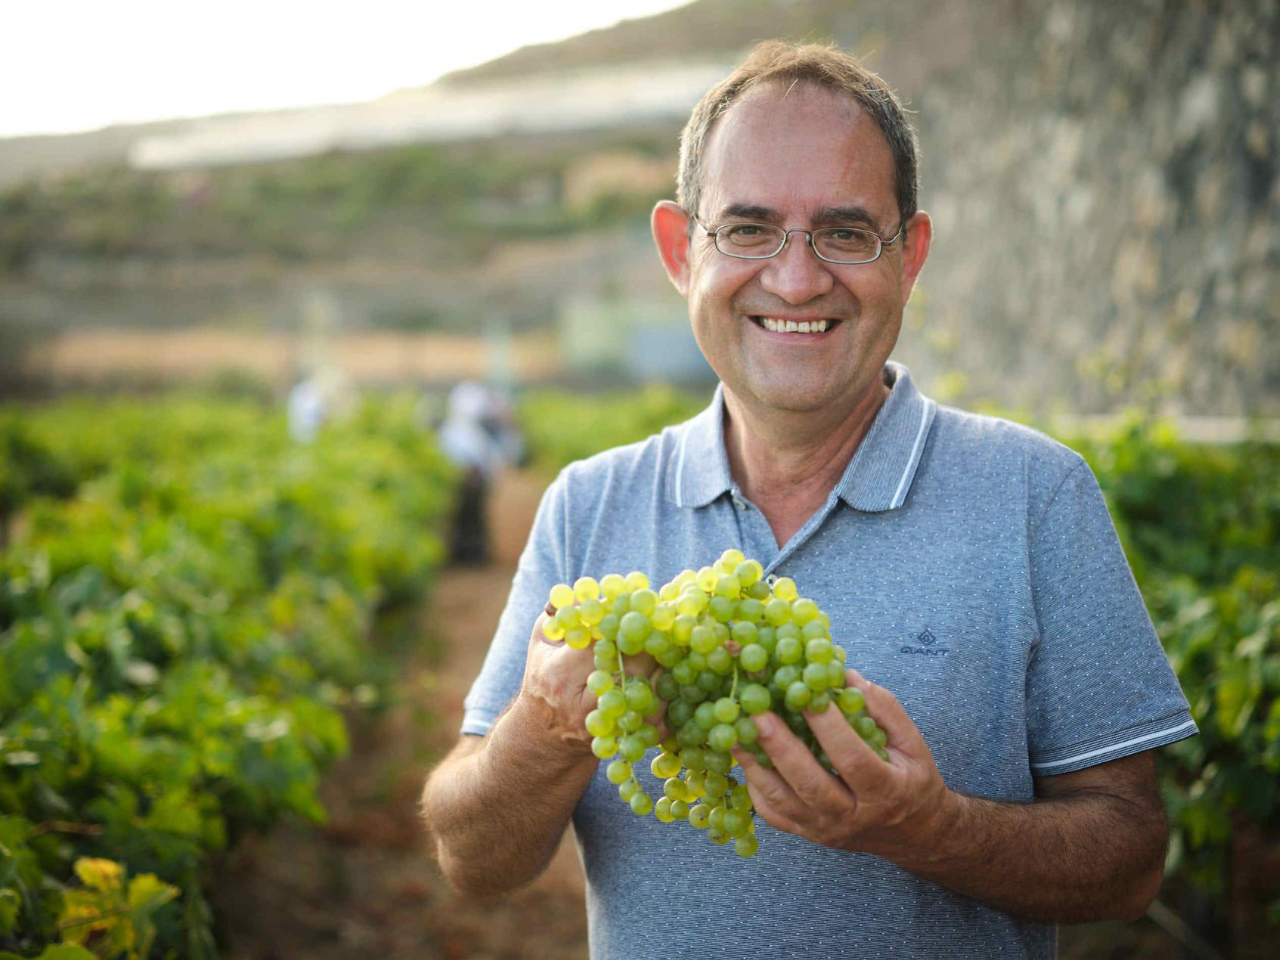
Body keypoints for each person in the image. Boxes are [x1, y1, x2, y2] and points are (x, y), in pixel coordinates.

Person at [421, 41, 1196, 959]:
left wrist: (930, 829)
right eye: (747, 229)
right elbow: (471, 858)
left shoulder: (1036, 494)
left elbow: (1132, 858)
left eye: (845, 232)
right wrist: (543, 733)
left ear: (909, 256)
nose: (795, 279)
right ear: (680, 251)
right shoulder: (587, 504)